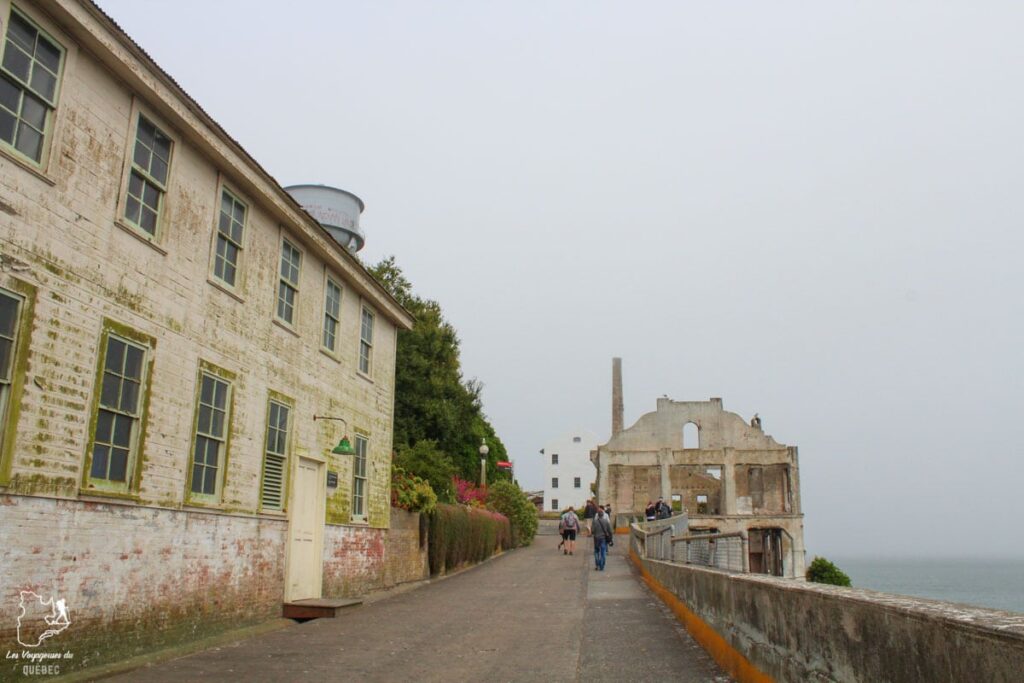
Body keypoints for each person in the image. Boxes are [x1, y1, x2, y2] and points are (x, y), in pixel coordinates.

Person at [592, 506, 613, 571]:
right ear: (603, 515)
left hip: (596, 539)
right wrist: (611, 538)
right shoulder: (606, 522)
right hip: (603, 539)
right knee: (603, 552)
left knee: (596, 552)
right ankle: (602, 566)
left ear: (598, 515)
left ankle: (597, 564)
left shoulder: (594, 522)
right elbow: (610, 531)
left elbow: (592, 531)